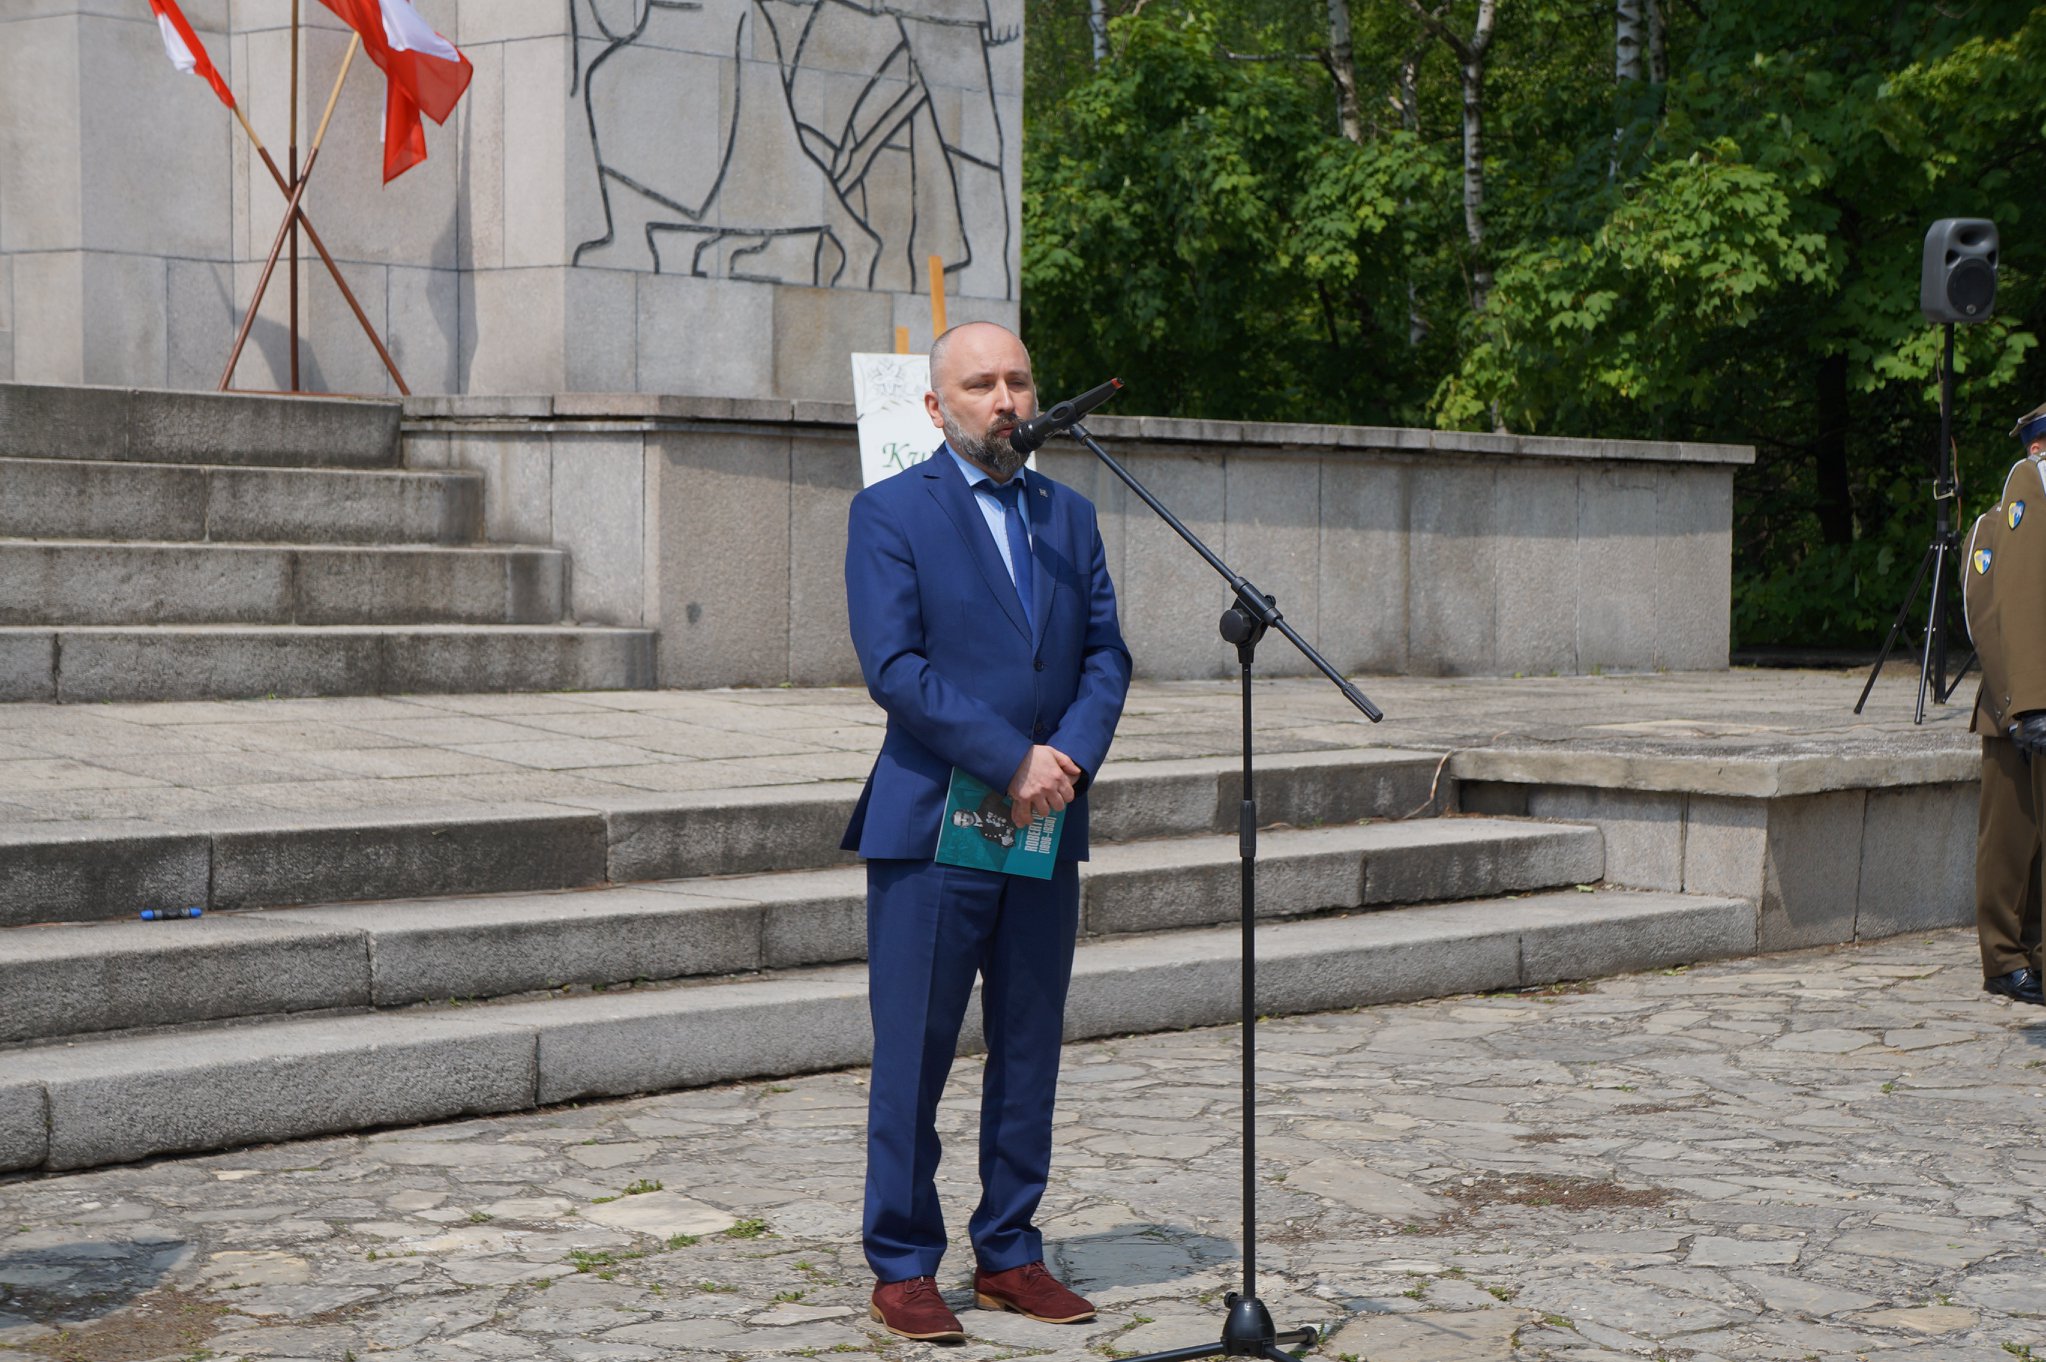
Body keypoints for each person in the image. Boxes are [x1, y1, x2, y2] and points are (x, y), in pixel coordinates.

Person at [841, 321, 1133, 1341]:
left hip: (1043, 822)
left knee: (1028, 1042)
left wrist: (1067, 763)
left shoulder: (1068, 515)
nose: (1006, 400)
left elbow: (1105, 655)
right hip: (934, 825)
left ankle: (1010, 1250)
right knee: (915, 1052)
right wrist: (1012, 757)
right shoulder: (889, 512)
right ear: (937, 407)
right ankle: (903, 1263)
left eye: (1018, 380)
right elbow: (896, 667)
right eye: (980, 384)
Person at [1963, 399, 2046, 1006]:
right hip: (2012, 707)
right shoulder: (1999, 523)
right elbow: (1988, 619)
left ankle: (2035, 953)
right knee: (2008, 845)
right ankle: (2002, 957)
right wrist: (2020, 701)